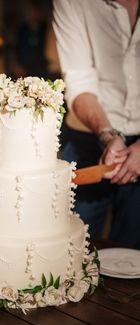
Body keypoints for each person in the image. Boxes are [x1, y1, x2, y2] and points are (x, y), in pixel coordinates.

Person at [53, 0, 140, 249]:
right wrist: (108, 134)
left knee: (132, 256)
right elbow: (79, 82)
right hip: (89, 139)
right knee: (72, 247)